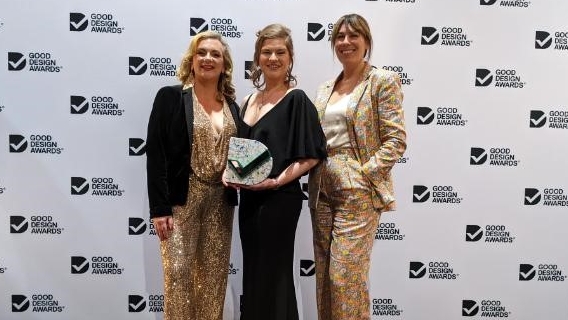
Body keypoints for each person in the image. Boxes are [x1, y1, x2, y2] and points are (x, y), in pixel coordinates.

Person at [308, 14, 407, 320]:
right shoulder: (325, 88)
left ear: (366, 42)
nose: (346, 42)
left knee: (345, 278)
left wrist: (364, 174)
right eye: (340, 37)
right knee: (324, 276)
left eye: (353, 36)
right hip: (321, 186)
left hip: (357, 189)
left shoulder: (381, 81)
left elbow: (396, 139)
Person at [230, 23, 327, 320]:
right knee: (255, 273)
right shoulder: (247, 101)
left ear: (290, 57)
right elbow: (240, 154)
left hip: (279, 200)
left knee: (275, 273)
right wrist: (230, 174)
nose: (273, 58)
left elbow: (312, 155)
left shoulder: (297, 100)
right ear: (257, 58)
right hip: (249, 201)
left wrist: (276, 181)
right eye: (267, 52)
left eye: (280, 52)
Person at [146, 31, 241, 320]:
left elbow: (239, 154)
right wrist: (160, 208)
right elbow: (156, 153)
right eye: (202, 53)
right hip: (181, 199)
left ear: (224, 64)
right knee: (178, 275)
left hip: (219, 202)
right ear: (192, 59)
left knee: (213, 280)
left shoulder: (232, 106)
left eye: (215, 54)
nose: (208, 58)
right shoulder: (170, 97)